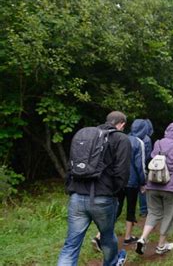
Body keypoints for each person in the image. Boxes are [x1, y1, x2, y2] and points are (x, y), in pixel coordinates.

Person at [58, 111, 131, 266]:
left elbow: (71, 166)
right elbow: (122, 173)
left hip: (77, 196)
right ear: (122, 124)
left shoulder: (88, 136)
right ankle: (111, 263)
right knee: (107, 236)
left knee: (71, 244)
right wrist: (114, 192)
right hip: (103, 198)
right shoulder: (121, 138)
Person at [135, 122, 173, 256]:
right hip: (170, 186)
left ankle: (143, 238)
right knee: (168, 215)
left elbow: (153, 159)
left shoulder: (157, 143)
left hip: (152, 184)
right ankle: (161, 245)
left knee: (153, 213)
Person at [115, 119, 148, 245]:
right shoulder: (138, 142)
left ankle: (99, 235)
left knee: (116, 208)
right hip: (132, 181)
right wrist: (143, 182)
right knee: (131, 208)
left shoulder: (122, 138)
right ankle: (128, 237)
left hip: (118, 180)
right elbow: (140, 165)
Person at [138, 119, 154, 217]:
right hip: (143, 165)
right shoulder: (147, 139)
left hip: (130, 166)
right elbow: (148, 155)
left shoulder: (130, 136)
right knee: (143, 188)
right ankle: (144, 210)